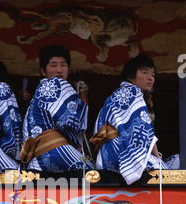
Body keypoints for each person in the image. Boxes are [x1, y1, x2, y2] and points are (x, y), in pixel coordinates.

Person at [90, 54, 179, 185]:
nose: (151, 78)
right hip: (119, 151)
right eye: (145, 72)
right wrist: (157, 157)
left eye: (153, 75)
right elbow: (143, 132)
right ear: (131, 77)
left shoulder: (117, 94)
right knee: (169, 174)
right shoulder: (132, 91)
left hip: (105, 156)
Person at [21, 44, 94, 172]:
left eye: (63, 65)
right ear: (43, 71)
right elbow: (75, 121)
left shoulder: (42, 89)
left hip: (36, 159)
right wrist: (83, 92)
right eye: (53, 65)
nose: (59, 70)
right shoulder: (54, 85)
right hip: (52, 152)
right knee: (92, 173)